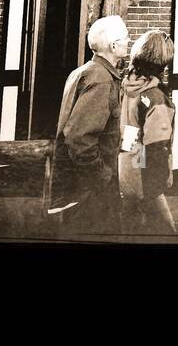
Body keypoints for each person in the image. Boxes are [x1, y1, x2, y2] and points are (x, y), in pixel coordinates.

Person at [53, 14, 130, 235]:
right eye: (125, 37)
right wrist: (103, 176)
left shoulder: (84, 72)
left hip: (81, 189)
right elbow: (79, 139)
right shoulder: (101, 79)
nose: (128, 40)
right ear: (113, 45)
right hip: (92, 193)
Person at [118, 29, 178, 235]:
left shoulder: (129, 85)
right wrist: (161, 178)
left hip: (126, 164)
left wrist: (130, 159)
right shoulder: (154, 96)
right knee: (166, 232)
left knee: (130, 227)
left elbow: (131, 132)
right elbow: (156, 144)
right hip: (146, 173)